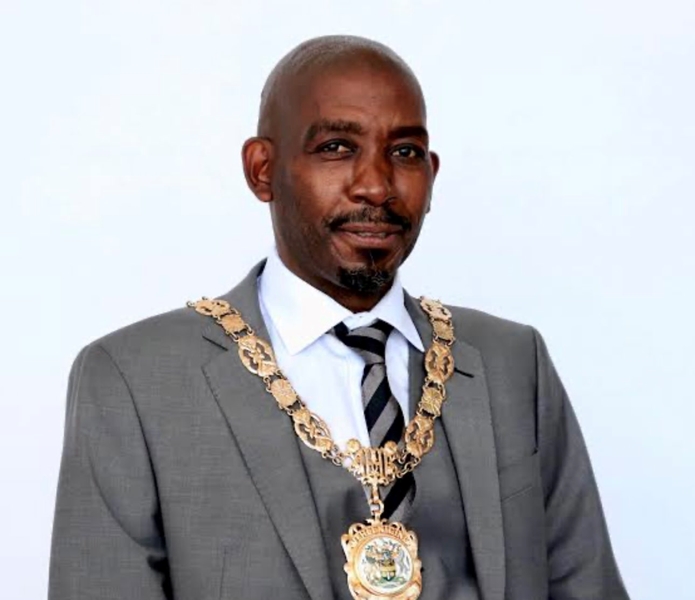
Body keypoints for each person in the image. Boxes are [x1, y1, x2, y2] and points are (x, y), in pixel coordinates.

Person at [49, 35, 630, 600]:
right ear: (262, 170)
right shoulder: (135, 380)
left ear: (431, 175)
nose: (376, 186)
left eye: (404, 152)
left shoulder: (512, 363)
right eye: (336, 147)